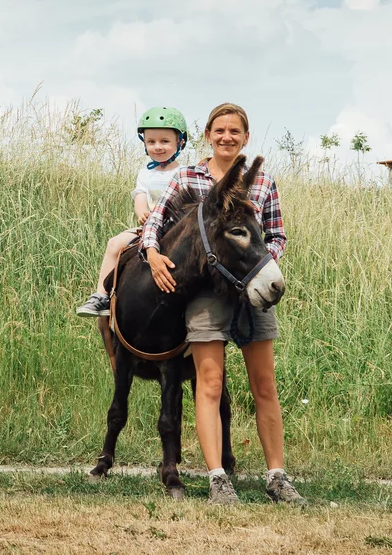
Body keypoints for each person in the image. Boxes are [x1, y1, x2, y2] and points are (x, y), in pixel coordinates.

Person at [142, 102, 303, 506]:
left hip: (252, 292)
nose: (227, 137)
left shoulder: (263, 182)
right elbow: (155, 222)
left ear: (246, 138)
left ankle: (277, 477)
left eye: (235, 132)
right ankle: (218, 480)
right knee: (209, 383)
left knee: (264, 385)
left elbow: (276, 235)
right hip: (206, 293)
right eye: (220, 131)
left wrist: (258, 266)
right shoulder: (188, 176)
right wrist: (152, 255)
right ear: (208, 136)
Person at [76, 106, 191, 316]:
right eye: (151, 141)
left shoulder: (184, 172)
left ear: (180, 142)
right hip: (148, 229)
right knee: (114, 244)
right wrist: (142, 212)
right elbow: (140, 197)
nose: (158, 147)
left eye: (165, 141)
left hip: (175, 229)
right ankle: (101, 296)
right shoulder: (145, 174)